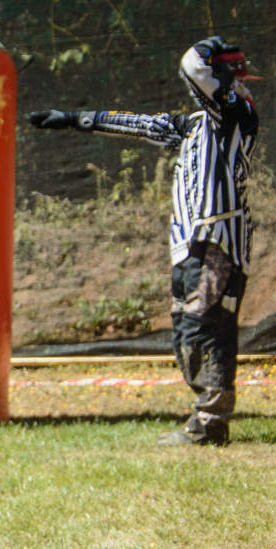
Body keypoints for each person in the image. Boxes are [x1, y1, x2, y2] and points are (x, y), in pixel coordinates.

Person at [27, 36, 259, 446]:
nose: (244, 87)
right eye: (239, 79)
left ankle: (209, 425)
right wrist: (72, 118)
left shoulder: (236, 115)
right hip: (191, 245)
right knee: (187, 334)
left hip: (217, 242)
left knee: (206, 329)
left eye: (240, 80)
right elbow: (136, 123)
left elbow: (193, 64)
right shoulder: (194, 126)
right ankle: (208, 416)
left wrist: (210, 47)